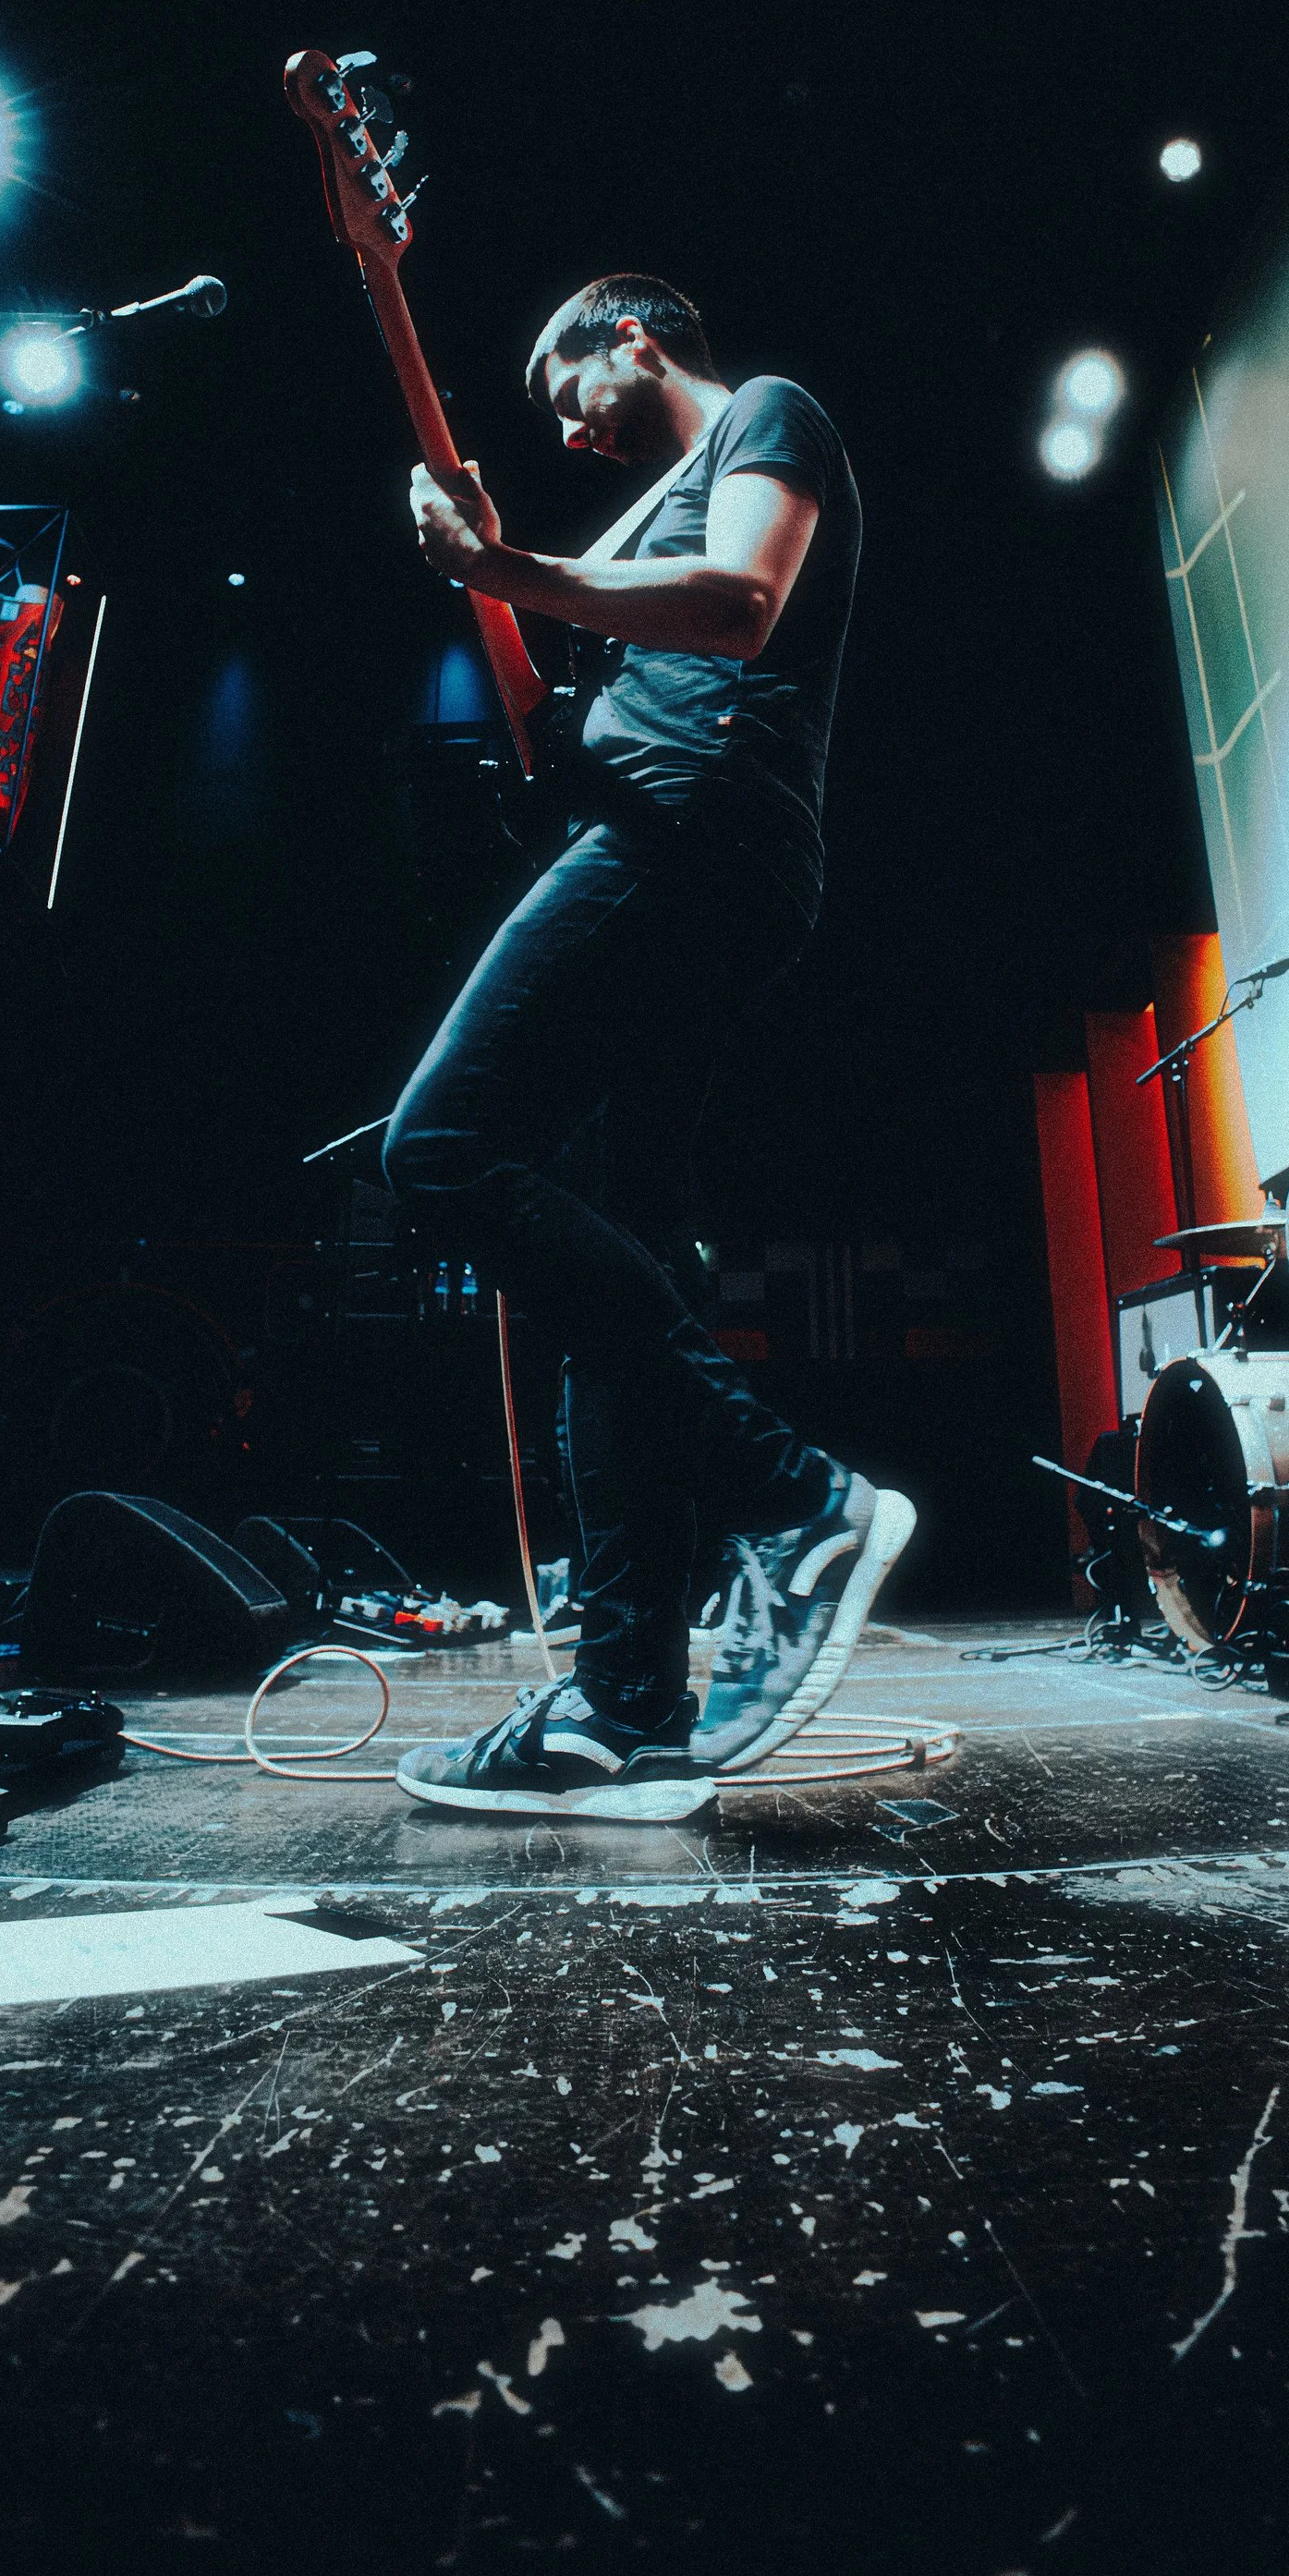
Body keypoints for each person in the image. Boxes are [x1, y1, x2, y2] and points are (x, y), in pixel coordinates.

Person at [378, 273, 912, 1821]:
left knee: (442, 1150)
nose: (559, 419)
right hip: (671, 836)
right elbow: (556, 704)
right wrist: (497, 582)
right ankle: (626, 1708)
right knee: (614, 1280)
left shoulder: (766, 415)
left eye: (567, 381)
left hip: (701, 837)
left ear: (635, 335)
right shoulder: (620, 537)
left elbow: (742, 604)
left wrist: (515, 564)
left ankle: (799, 1503)